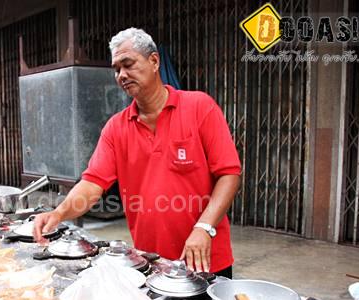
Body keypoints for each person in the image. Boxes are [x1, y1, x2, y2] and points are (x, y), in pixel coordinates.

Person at [33, 28, 241, 277]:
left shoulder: (199, 107)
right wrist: (59, 213)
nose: (122, 75)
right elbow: (92, 183)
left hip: (205, 259)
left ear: (154, 61)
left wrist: (205, 227)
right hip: (150, 261)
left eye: (128, 64)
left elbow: (229, 174)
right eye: (116, 69)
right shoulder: (116, 128)